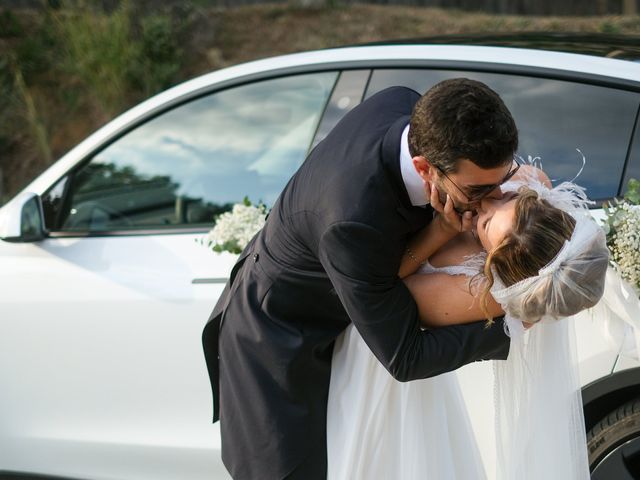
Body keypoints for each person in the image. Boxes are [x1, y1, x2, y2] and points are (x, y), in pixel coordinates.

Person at [202, 78, 520, 479]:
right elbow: (406, 356)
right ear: (425, 168)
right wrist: (514, 327)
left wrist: (442, 228)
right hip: (278, 342)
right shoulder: (350, 221)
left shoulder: (408, 106)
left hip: (349, 320)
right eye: (478, 190)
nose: (493, 197)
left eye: (503, 178)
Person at [327, 166, 610, 479]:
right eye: (508, 198)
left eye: (486, 224)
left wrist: (441, 231)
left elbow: (380, 286)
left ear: (498, 264)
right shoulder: (530, 184)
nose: (485, 204)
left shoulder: (480, 291)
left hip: (372, 356)